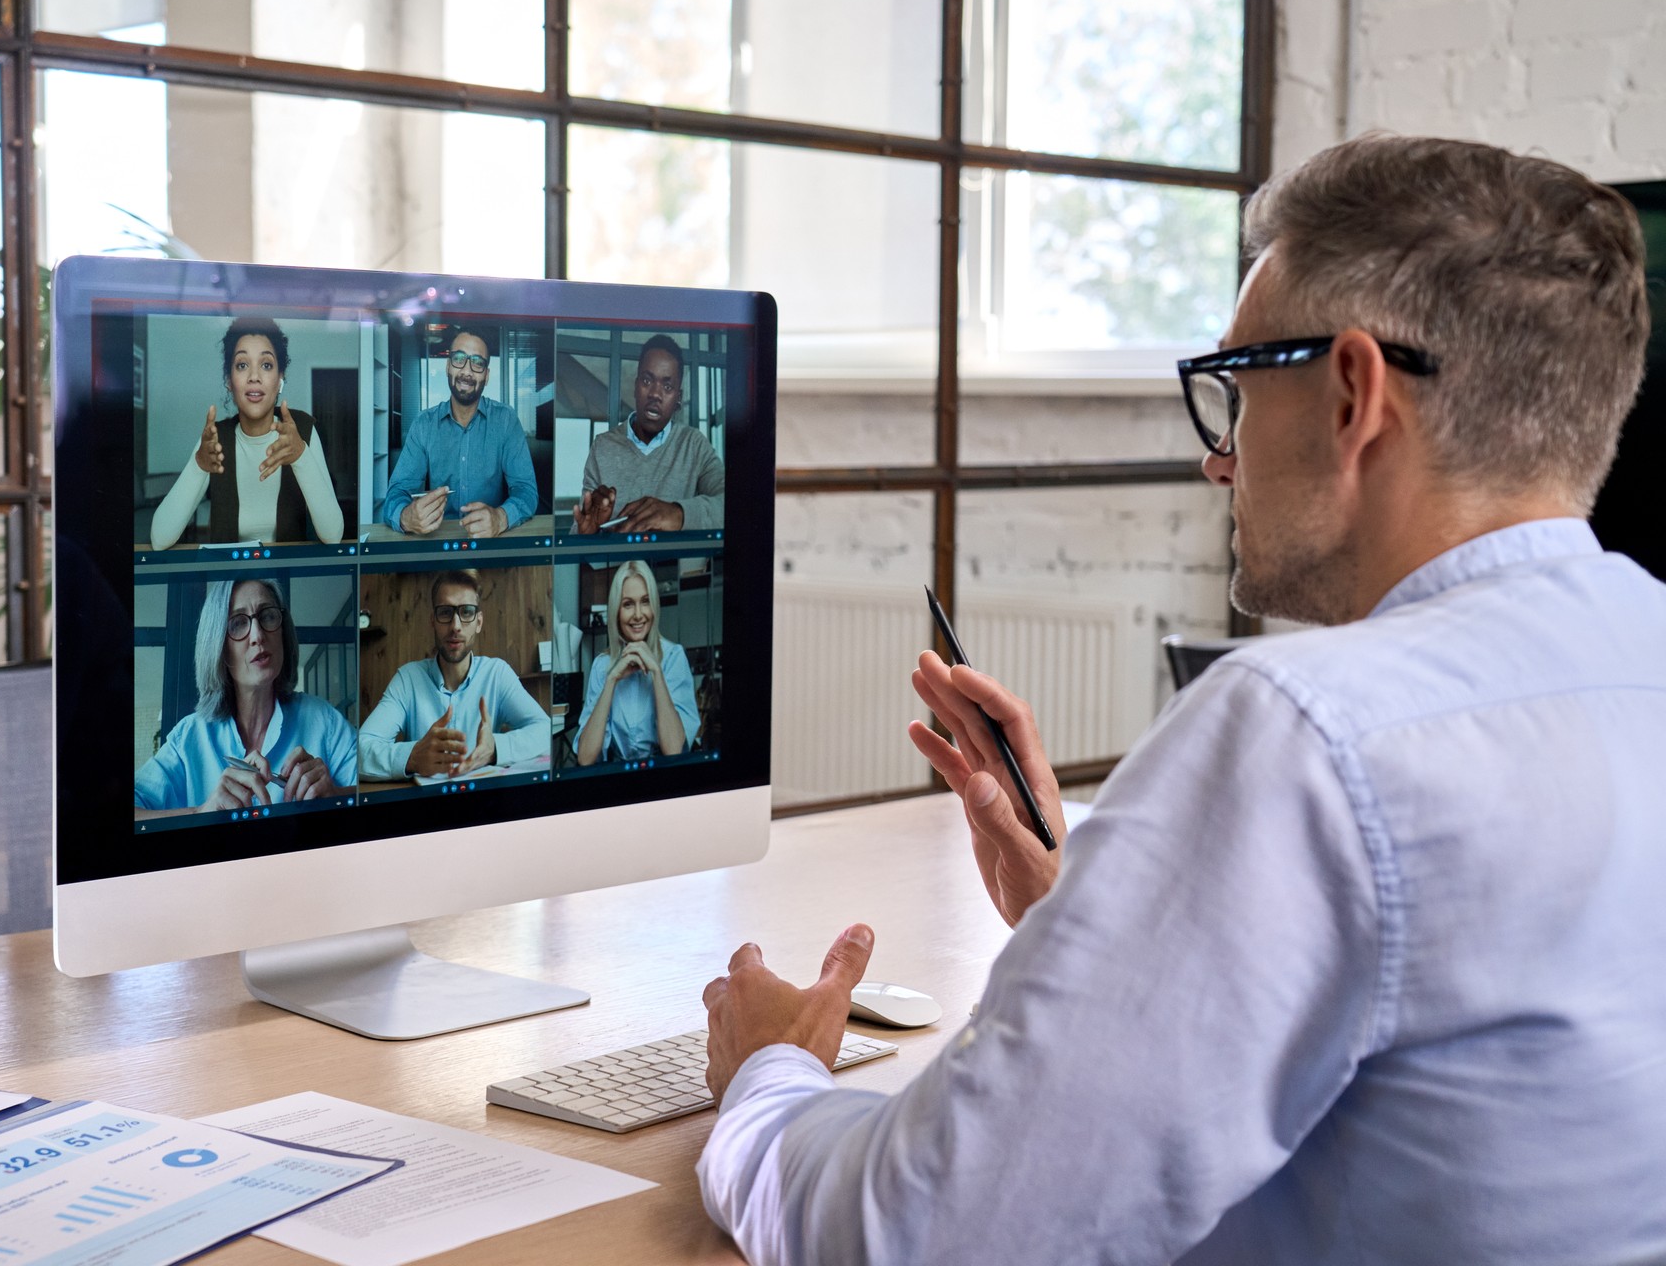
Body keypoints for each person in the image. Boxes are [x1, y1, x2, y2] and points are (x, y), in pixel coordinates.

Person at [695, 134, 1666, 1263]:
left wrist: (769, 1076)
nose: (1221, 458)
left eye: (1238, 390)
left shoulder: (1305, 729)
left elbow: (919, 1234)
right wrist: (1102, 926)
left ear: (1352, 392)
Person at [135, 579, 357, 814]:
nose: (258, 635)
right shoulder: (188, 738)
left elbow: (379, 795)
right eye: (238, 623)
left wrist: (336, 796)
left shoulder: (325, 720)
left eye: (268, 616)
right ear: (219, 648)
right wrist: (201, 813)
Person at [150, 316, 344, 548]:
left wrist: (301, 455)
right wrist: (199, 464)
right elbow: (159, 539)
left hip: (289, 579)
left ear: (280, 378)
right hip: (229, 577)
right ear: (229, 381)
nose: (254, 377)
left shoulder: (302, 430)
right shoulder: (215, 438)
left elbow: (333, 535)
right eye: (242, 365)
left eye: (266, 365)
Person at [358, 569, 550, 780]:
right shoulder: (408, 679)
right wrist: (413, 757)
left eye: (466, 612)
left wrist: (494, 748)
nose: (455, 626)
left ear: (478, 622)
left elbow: (545, 731)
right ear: (433, 620)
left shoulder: (497, 674)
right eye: (445, 612)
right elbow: (360, 750)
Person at [379, 327, 539, 539]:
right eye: (459, 359)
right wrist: (406, 516)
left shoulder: (506, 421)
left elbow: (526, 491)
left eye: (477, 362)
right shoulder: (424, 424)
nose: (467, 370)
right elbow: (396, 493)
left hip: (491, 544)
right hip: (437, 545)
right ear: (448, 366)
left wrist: (501, 518)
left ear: (487, 375)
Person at [572, 334, 725, 534]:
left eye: (667, 386)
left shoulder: (694, 444)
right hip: (617, 567)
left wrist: (678, 514)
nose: (655, 394)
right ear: (635, 387)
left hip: (673, 567)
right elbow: (580, 530)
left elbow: (733, 505)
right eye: (646, 380)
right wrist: (588, 534)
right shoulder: (603, 446)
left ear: (678, 399)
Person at [574, 560, 700, 765]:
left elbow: (674, 751)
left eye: (645, 601)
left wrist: (657, 673)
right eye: (628, 604)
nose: (639, 615)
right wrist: (611, 679)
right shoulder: (601, 665)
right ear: (616, 611)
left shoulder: (674, 657)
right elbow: (586, 758)